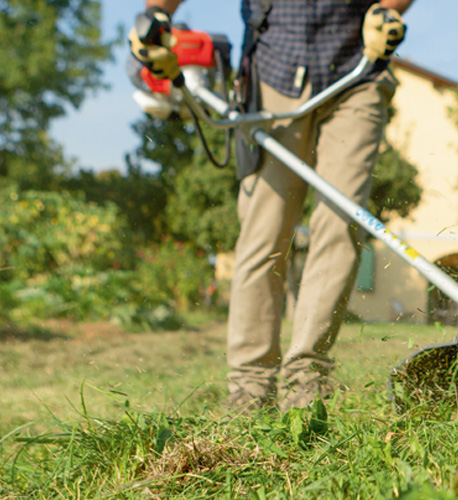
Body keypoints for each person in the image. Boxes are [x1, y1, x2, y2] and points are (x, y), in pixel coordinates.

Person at [130, 0, 413, 412]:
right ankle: (249, 386)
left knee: (341, 220)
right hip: (274, 74)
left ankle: (306, 379)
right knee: (264, 231)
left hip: (358, 68)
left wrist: (387, 8)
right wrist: (157, 12)